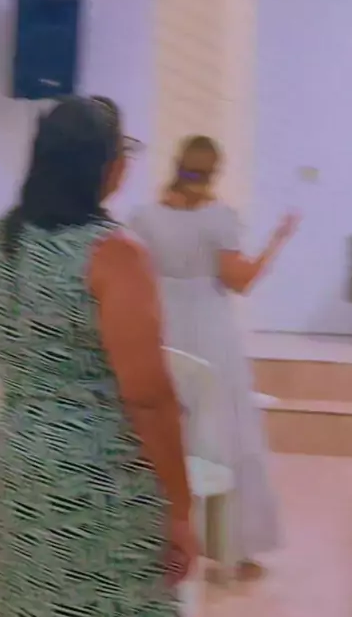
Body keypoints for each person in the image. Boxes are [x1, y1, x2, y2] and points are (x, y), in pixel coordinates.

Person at [0, 96, 195, 617]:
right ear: (104, 165)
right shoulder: (113, 254)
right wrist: (181, 507)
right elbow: (147, 397)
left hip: (21, 461)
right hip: (98, 477)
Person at [129, 135, 299, 579]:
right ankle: (230, 545)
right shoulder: (218, 219)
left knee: (166, 427)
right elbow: (240, 280)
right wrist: (278, 240)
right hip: (210, 330)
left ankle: (154, 541)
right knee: (224, 428)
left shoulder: (144, 218)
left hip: (161, 325)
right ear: (214, 171)